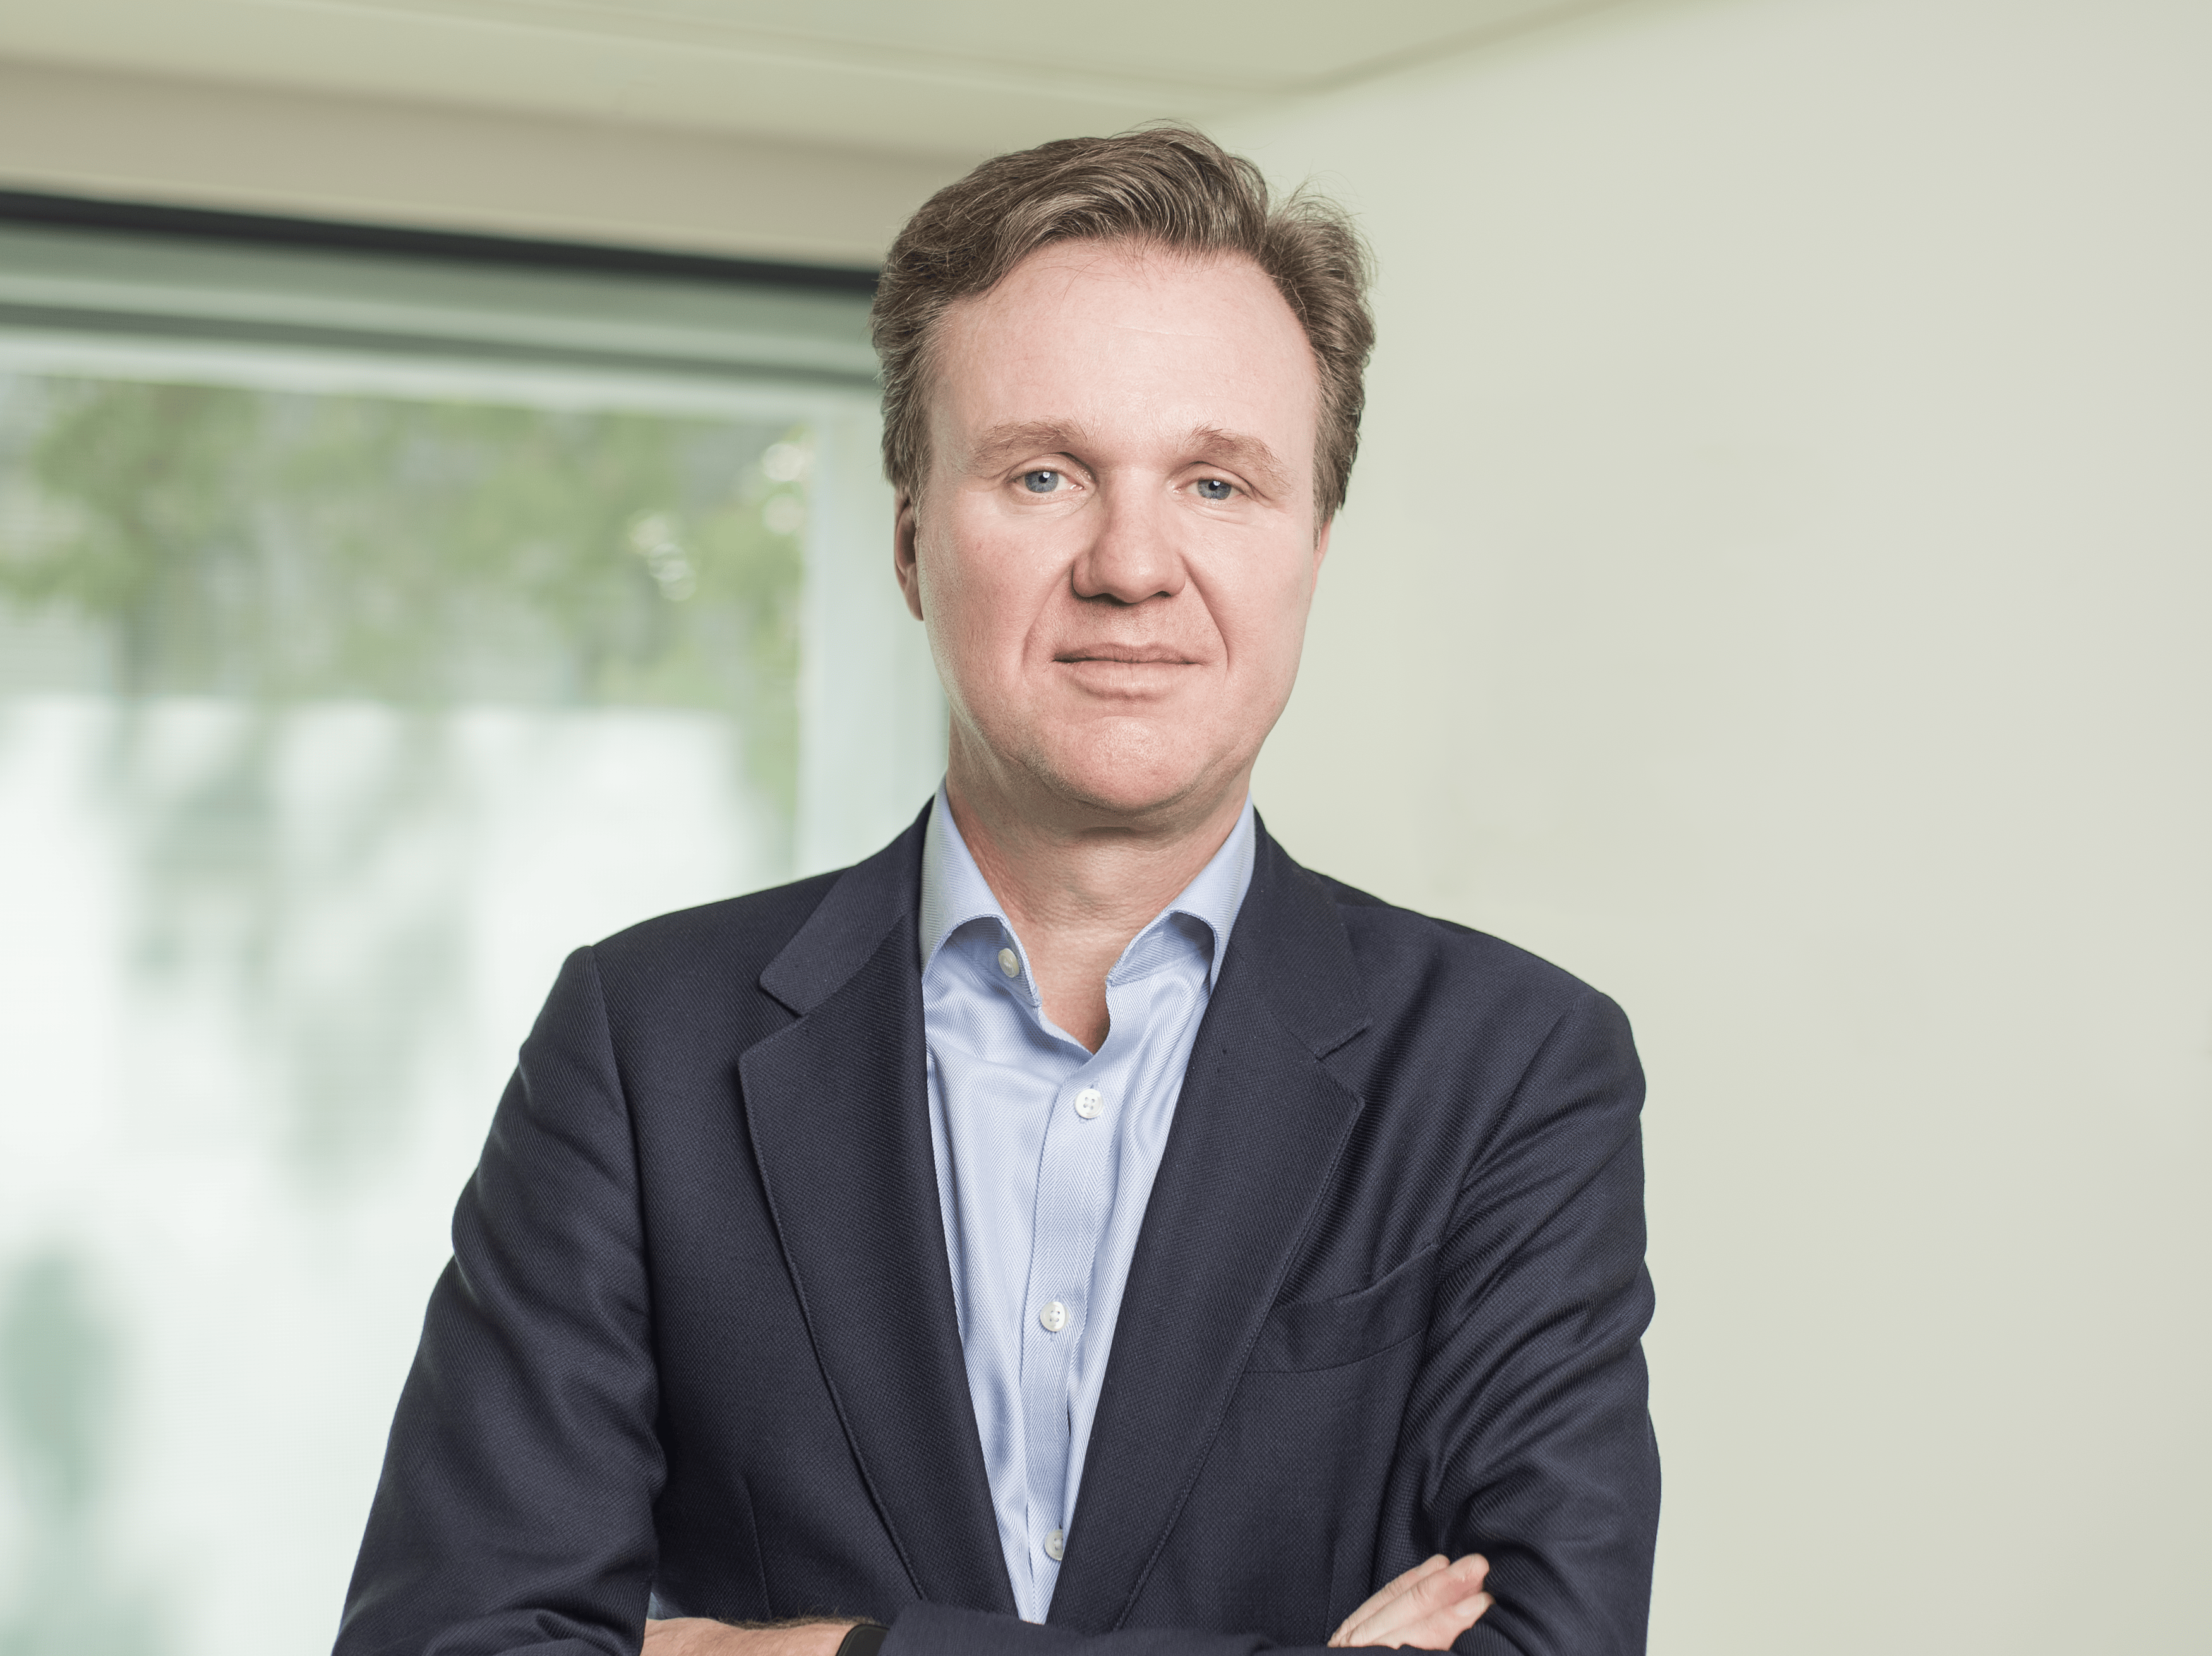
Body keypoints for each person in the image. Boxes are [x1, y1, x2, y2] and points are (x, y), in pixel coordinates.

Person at [335, 128, 1658, 1656]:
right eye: (1043, 474)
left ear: (1311, 546)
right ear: (909, 540)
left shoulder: (1509, 1072)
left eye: (1218, 484)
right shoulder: (642, 1047)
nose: (1133, 564)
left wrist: (844, 1655)